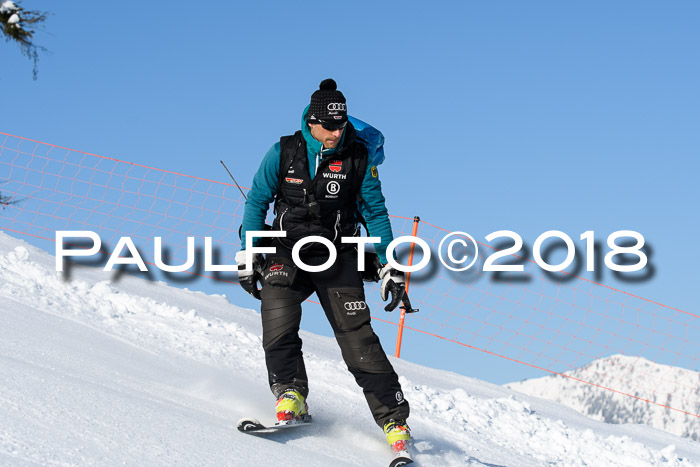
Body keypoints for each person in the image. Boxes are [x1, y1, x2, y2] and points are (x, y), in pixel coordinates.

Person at [235, 78, 411, 453]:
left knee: (358, 339)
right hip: (287, 250)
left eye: (341, 125)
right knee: (277, 320)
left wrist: (389, 265)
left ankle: (394, 420)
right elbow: (257, 202)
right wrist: (249, 253)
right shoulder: (283, 152)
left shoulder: (357, 157)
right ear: (311, 122)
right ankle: (290, 394)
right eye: (329, 126)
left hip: (338, 255)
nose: (335, 133)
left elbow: (375, 214)